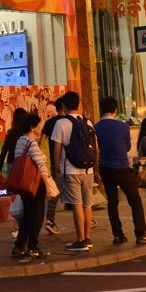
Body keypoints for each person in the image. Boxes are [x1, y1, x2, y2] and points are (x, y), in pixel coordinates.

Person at [95, 96, 146, 245]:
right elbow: (127, 147)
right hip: (121, 166)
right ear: (115, 110)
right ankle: (140, 233)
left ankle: (117, 234)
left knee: (112, 202)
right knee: (135, 200)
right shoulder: (123, 127)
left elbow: (97, 146)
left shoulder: (96, 127)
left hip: (105, 168)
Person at [51, 91, 95, 252]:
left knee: (77, 204)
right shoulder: (88, 122)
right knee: (87, 204)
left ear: (63, 106)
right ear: (79, 104)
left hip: (70, 170)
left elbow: (57, 149)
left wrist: (56, 168)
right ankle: (88, 238)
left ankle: (80, 239)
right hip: (88, 170)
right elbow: (95, 145)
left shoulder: (61, 123)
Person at [10, 112, 56, 260]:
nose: (41, 127)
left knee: (28, 216)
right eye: (39, 125)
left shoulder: (20, 141)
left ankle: (19, 246)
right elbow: (41, 166)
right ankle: (32, 247)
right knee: (36, 216)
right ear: (32, 127)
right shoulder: (31, 143)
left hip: (25, 184)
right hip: (35, 184)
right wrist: (48, 186)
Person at [0, 107, 28, 240]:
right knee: (24, 197)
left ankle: (16, 226)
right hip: (23, 166)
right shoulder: (25, 133)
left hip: (11, 166)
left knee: (16, 197)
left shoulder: (10, 132)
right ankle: (22, 225)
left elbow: (3, 151)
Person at [39, 97, 66, 236]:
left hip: (55, 163)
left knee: (55, 191)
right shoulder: (69, 121)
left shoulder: (49, 123)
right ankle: (86, 218)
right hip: (70, 163)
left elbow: (40, 143)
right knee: (75, 190)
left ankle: (50, 219)